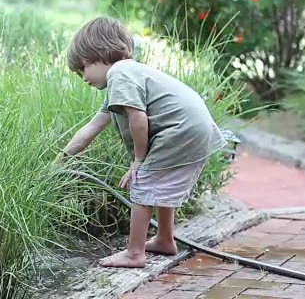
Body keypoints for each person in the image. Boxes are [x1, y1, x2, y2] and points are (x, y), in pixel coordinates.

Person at [59, 16, 227, 268]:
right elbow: (92, 127)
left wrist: (138, 160)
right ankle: (164, 239)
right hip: (193, 130)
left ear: (99, 54)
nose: (82, 77)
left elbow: (138, 119)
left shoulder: (120, 73)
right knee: (158, 184)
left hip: (180, 131)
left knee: (142, 183)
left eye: (82, 68)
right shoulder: (128, 74)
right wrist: (62, 159)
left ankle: (134, 254)